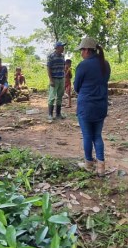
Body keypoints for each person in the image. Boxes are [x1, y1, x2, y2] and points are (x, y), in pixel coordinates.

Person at [74, 37, 111, 176]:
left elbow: (76, 87)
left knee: (87, 136)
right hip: (101, 105)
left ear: (87, 50)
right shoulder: (105, 64)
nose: (81, 53)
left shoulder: (83, 65)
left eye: (81, 50)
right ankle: (101, 166)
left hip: (86, 106)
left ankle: (89, 163)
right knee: (97, 135)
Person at [47, 42, 66, 121]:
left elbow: (63, 67)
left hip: (61, 78)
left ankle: (58, 114)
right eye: (62, 46)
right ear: (57, 47)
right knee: (52, 97)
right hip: (54, 79)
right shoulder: (51, 56)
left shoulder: (62, 56)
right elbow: (48, 68)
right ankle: (50, 115)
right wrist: (51, 80)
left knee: (60, 97)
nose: (63, 48)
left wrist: (64, 77)